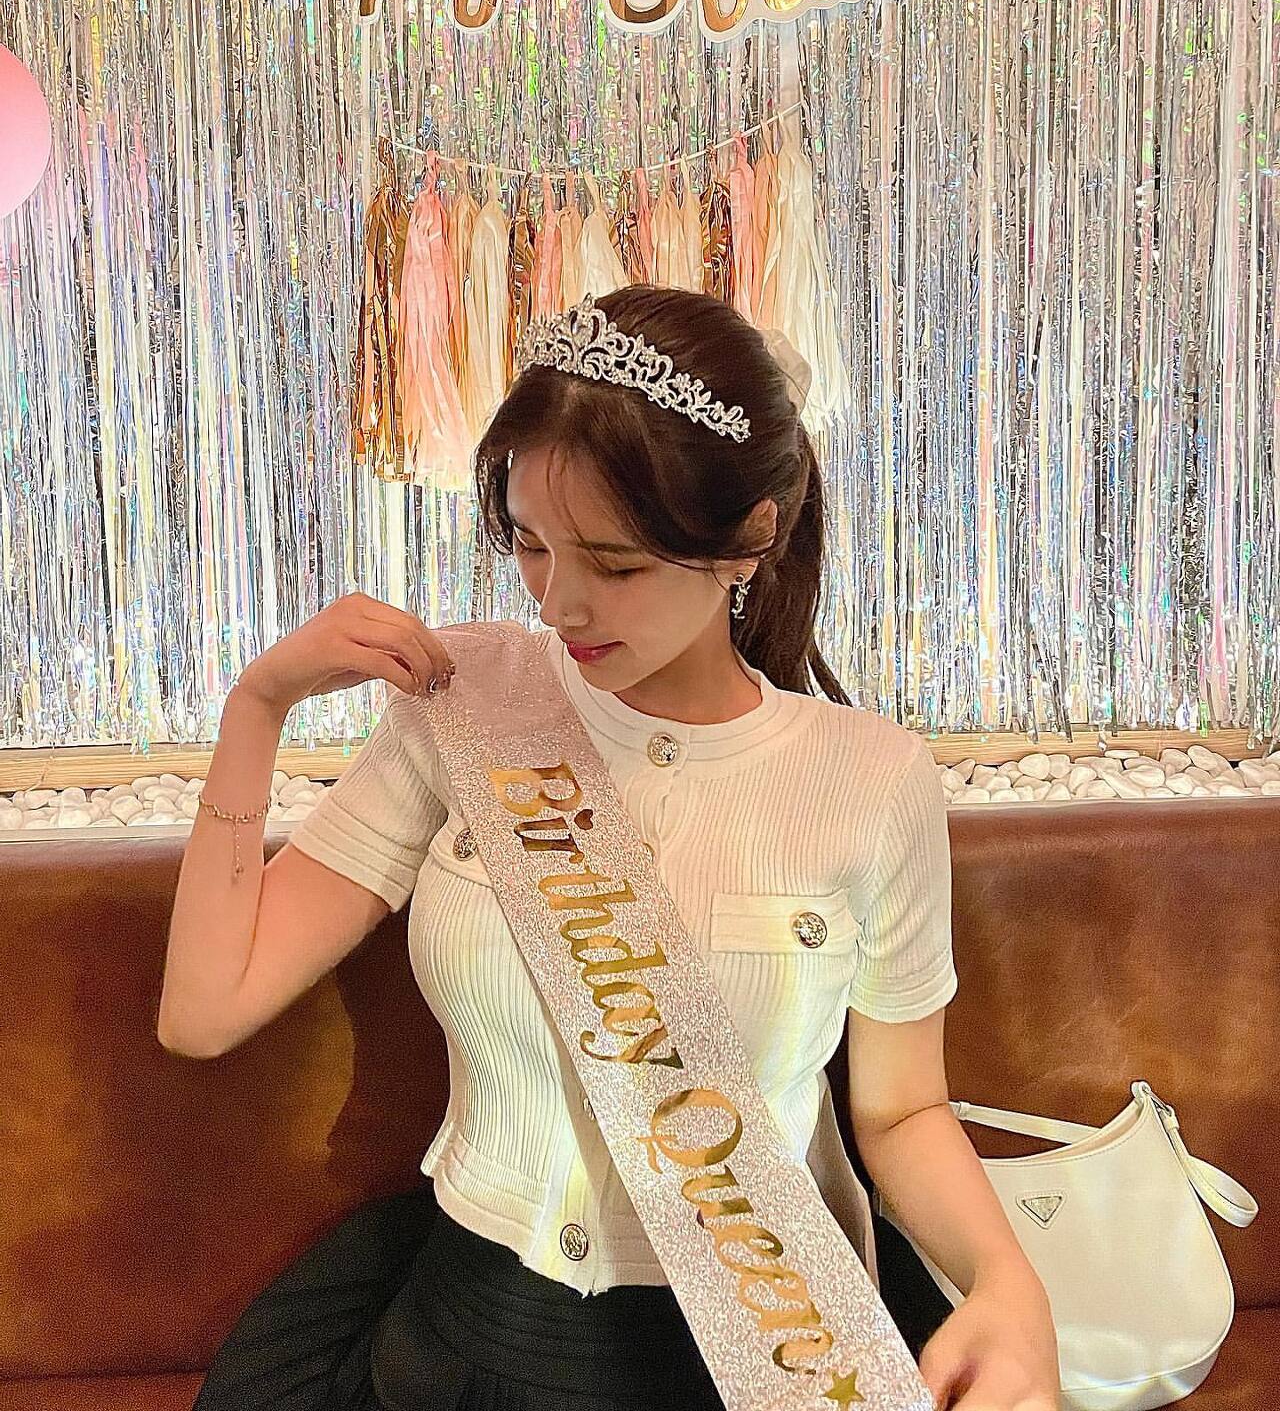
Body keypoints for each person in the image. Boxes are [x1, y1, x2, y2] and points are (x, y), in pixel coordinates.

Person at [163, 285, 1059, 1411]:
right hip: (474, 1332)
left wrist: (1009, 1283)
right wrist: (256, 708)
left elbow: (899, 1109)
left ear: (749, 540)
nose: (559, 604)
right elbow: (204, 1011)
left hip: (752, 1341)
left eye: (615, 563)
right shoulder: (467, 703)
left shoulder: (870, 779)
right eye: (530, 543)